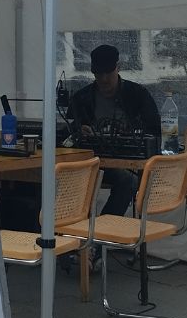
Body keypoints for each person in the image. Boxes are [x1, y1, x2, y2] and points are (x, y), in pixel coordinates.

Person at [68, 44, 161, 217]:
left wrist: (132, 134)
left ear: (118, 68)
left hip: (126, 163)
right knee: (66, 178)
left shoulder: (138, 95)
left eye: (108, 73)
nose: (103, 79)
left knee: (128, 181)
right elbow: (66, 132)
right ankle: (79, 230)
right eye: (98, 74)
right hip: (88, 162)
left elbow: (153, 131)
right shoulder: (81, 98)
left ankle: (102, 231)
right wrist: (79, 131)